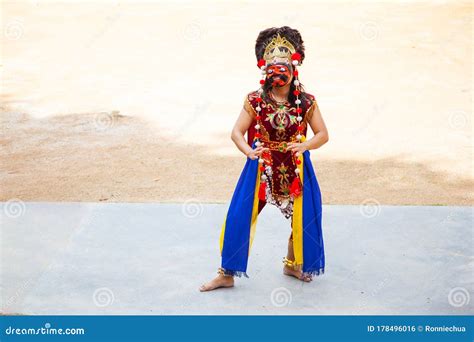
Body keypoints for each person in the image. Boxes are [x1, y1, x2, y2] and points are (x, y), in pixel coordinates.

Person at [199, 26, 329, 292]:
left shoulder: (306, 102)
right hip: (262, 169)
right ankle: (226, 273)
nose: (278, 74)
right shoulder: (255, 100)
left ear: (295, 69)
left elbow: (323, 134)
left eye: (284, 68)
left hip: (295, 170)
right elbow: (236, 132)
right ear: (265, 71)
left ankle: (292, 264)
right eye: (273, 69)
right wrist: (248, 151)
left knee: (303, 219)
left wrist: (304, 146)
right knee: (239, 217)